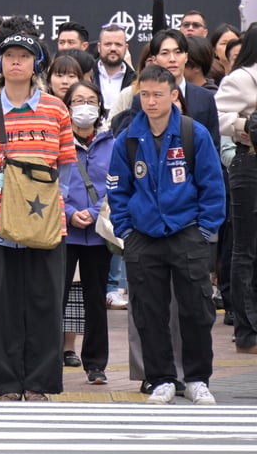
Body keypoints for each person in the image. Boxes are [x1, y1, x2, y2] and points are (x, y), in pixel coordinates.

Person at [0, 32, 77, 402]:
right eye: (9, 56)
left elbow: (67, 166)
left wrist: (57, 207)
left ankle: (39, 383)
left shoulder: (56, 109)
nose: (16, 62)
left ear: (36, 63)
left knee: (44, 304)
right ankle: (5, 384)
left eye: (24, 56)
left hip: (46, 225)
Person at [107, 65, 225, 405]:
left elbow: (213, 187)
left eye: (158, 94)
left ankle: (198, 378)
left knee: (196, 311)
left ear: (175, 95)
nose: (151, 101)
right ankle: (160, 378)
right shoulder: (127, 138)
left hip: (187, 231)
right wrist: (126, 230)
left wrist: (204, 230)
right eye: (144, 94)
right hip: (143, 236)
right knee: (148, 311)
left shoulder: (193, 133)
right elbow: (116, 190)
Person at [61, 80, 114, 385]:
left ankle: (95, 364)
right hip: (63, 232)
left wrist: (94, 215)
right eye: (78, 100)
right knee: (56, 296)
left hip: (98, 233)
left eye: (90, 100)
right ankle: (50, 355)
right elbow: (50, 181)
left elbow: (115, 184)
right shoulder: (58, 140)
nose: (84, 106)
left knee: (96, 299)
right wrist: (68, 213)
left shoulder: (112, 142)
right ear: (67, 107)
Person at [214, 23, 257, 354]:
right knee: (245, 248)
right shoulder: (242, 78)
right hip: (250, 164)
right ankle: (247, 330)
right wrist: (246, 125)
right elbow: (217, 115)